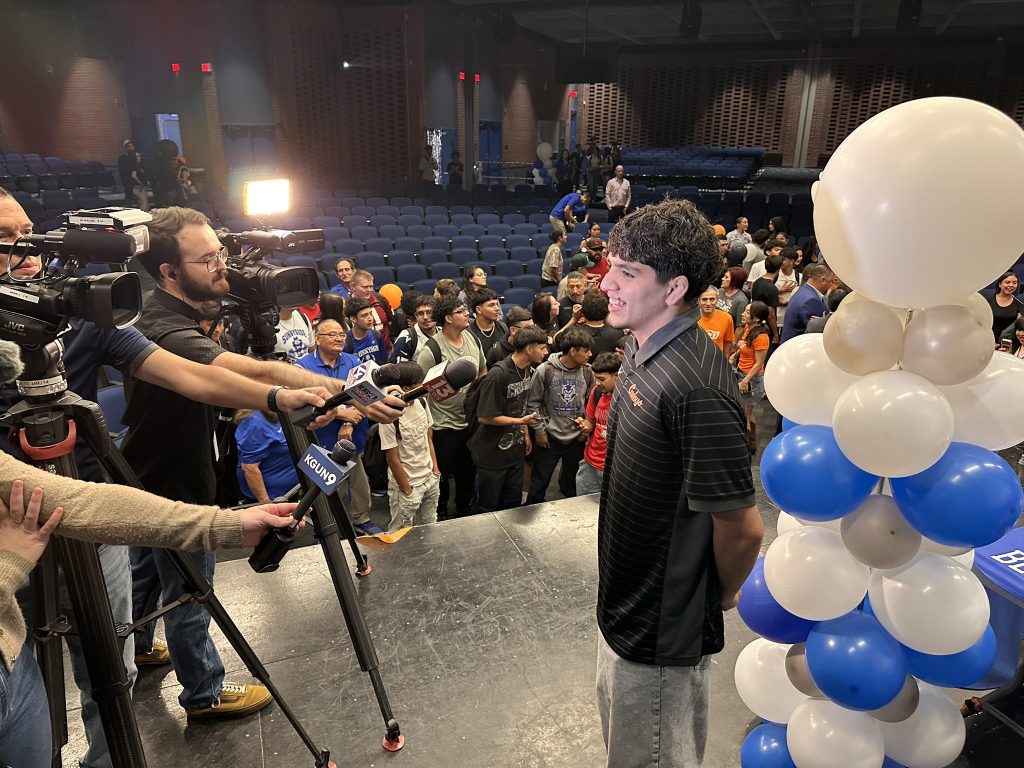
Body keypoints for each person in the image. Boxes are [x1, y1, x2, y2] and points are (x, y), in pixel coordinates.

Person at [0, 191, 338, 763]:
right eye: (5, 239)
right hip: (8, 524)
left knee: (110, 668)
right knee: (18, 667)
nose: (25, 249)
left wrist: (279, 396)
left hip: (89, 509)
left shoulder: (84, 310)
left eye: (27, 231)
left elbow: (192, 375)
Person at [126, 207, 403, 721]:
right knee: (190, 589)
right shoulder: (158, 323)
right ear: (169, 271)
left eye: (221, 252)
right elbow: (250, 372)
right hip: (177, 472)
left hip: (149, 466)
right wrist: (350, 393)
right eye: (208, 259)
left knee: (147, 567)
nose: (223, 266)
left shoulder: (182, 306)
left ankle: (139, 644)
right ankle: (204, 693)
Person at [597, 198, 763, 768]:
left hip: (660, 632)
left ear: (674, 289)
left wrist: (716, 594)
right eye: (611, 267)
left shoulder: (698, 388)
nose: (607, 284)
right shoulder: (639, 343)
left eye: (626, 273)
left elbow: (743, 528)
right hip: (623, 607)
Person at [0, 460, 301, 767]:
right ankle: (204, 690)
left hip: (14, 662)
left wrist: (226, 526)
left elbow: (77, 499)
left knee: (115, 671)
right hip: (12, 626)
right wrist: (9, 565)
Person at [296, 319, 382, 536]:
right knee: (329, 489)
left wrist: (347, 422)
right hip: (320, 441)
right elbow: (305, 404)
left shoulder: (354, 362)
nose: (339, 338)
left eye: (342, 335)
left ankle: (361, 519)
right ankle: (335, 526)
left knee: (359, 483)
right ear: (317, 339)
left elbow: (367, 398)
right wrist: (343, 413)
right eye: (332, 334)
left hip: (353, 438)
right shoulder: (303, 367)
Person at [415, 296, 487, 520]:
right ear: (448, 318)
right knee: (443, 473)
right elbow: (419, 387)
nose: (467, 314)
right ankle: (441, 510)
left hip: (469, 420)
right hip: (443, 424)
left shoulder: (471, 338)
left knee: (468, 469)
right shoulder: (431, 350)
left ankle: (465, 507)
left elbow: (483, 370)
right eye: (461, 311)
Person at [471, 326, 548, 513]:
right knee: (487, 508)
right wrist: (521, 423)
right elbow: (485, 417)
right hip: (492, 455)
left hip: (514, 453)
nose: (546, 352)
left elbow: (520, 405)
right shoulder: (498, 374)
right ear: (528, 349)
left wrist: (525, 434)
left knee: (512, 505)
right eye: (542, 348)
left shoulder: (527, 369)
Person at [525, 328, 594, 504]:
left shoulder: (587, 372)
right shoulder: (545, 370)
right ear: (573, 351)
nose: (590, 354)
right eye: (586, 350)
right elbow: (533, 403)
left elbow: (592, 403)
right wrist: (540, 431)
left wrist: (585, 428)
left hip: (576, 437)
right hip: (549, 437)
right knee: (539, 484)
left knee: (571, 485)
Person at [379, 362, 441, 531]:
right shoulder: (389, 415)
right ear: (406, 388)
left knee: (429, 526)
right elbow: (392, 458)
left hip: (429, 479)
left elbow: (428, 436)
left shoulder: (422, 402)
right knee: (401, 533)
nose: (424, 388)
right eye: (419, 385)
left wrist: (435, 470)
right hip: (407, 486)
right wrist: (407, 490)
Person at [573, 351, 619, 496]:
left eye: (602, 379)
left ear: (617, 376)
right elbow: (591, 420)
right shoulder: (597, 392)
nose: (598, 383)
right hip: (590, 463)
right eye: (596, 378)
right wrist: (585, 426)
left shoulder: (627, 399)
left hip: (614, 469)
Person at [730, 302, 771, 454]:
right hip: (742, 373)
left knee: (745, 412)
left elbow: (759, 363)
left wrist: (745, 381)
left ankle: (748, 444)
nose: (743, 314)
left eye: (747, 312)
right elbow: (745, 347)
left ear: (757, 318)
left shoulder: (761, 337)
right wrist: (735, 355)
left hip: (751, 380)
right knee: (746, 411)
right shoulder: (748, 328)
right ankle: (748, 442)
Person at [234, 410, 297, 502]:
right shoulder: (254, 422)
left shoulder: (285, 411)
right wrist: (266, 503)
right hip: (274, 499)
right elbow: (249, 468)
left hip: (295, 491)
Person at [780, 263, 833, 342]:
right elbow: (817, 330)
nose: (831, 285)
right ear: (822, 280)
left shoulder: (803, 290)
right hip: (798, 345)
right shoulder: (811, 301)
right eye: (831, 281)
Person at [562, 290, 622, 358]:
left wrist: (574, 319)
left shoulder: (571, 333)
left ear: (582, 311)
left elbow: (554, 342)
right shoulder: (619, 333)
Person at [348, 270, 394, 352]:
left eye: (371, 286)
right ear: (353, 286)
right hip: (362, 354)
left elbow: (391, 321)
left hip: (387, 351)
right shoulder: (347, 307)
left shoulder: (380, 299)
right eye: (365, 287)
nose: (369, 290)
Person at [390, 292, 437, 363]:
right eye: (420, 313)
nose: (425, 317)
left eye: (429, 312)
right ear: (416, 316)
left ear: (436, 313)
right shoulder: (406, 339)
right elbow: (397, 368)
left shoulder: (443, 332)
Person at [343, 298, 388, 365]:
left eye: (371, 314)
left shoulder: (376, 335)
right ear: (353, 319)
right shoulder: (346, 343)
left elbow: (384, 362)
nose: (370, 318)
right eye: (365, 315)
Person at [750, 254, 783, 344]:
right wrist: (776, 334)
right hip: (766, 328)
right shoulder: (772, 288)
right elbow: (770, 314)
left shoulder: (757, 282)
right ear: (778, 269)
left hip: (755, 322)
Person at [468, 288, 507, 362]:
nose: (497, 308)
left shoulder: (503, 327)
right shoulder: (469, 334)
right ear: (479, 310)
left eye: (497, 304)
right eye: (491, 305)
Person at [697, 285, 735, 357]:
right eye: (704, 299)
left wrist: (725, 361)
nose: (708, 303)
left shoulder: (726, 318)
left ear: (717, 300)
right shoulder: (691, 318)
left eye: (712, 299)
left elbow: (727, 343)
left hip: (716, 360)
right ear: (698, 300)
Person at [986, 272, 1022, 342]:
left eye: (1014, 283)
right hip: (988, 340)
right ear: (1000, 284)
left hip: (1007, 342)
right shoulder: (988, 301)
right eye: (1007, 282)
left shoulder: (1019, 304)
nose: (1011, 285)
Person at [717, 266, 749, 332]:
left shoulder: (741, 300)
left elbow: (740, 327)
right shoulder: (720, 291)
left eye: (726, 277)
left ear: (735, 281)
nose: (722, 279)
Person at [581, 222, 608, 287]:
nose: (597, 231)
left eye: (598, 229)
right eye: (594, 229)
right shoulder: (584, 263)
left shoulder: (603, 243)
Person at [117, 138, 138, 205]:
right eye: (129, 146)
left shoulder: (136, 156)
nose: (131, 147)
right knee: (128, 190)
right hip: (127, 177)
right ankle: (129, 202)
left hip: (136, 176)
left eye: (132, 146)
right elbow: (121, 169)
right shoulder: (122, 158)